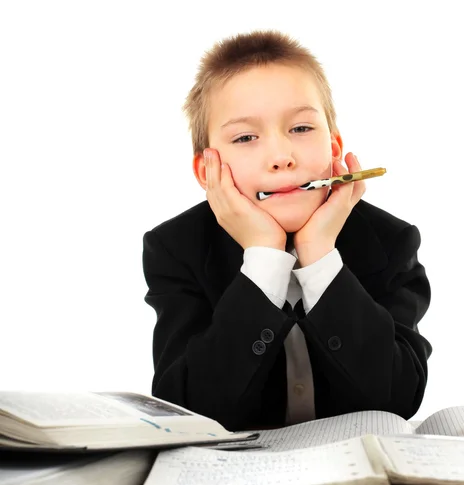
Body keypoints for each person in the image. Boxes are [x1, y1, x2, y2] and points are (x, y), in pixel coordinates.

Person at [142, 30, 432, 431]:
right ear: (207, 171)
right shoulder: (175, 249)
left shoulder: (390, 242)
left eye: (301, 129)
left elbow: (398, 397)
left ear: (334, 149)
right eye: (246, 137)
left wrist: (320, 257)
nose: (281, 157)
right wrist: (264, 258)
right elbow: (188, 407)